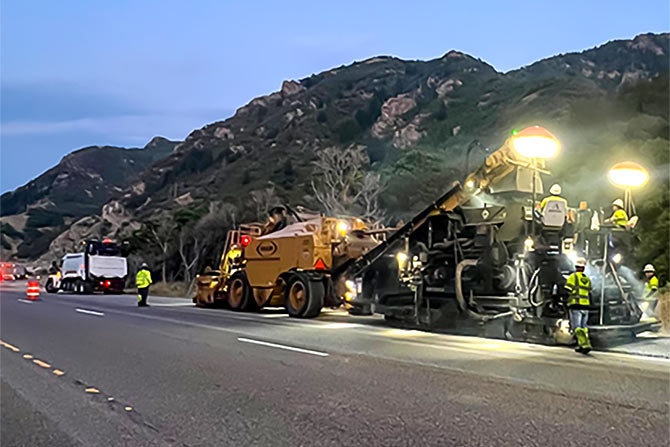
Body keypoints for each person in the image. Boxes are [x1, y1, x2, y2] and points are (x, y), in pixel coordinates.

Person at [564, 257, 592, 354]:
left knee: (577, 328)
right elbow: (589, 291)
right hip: (586, 306)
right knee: (584, 328)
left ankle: (584, 345)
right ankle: (582, 344)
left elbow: (567, 290)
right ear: (584, 268)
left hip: (576, 305)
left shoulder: (573, 277)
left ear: (576, 267)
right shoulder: (587, 279)